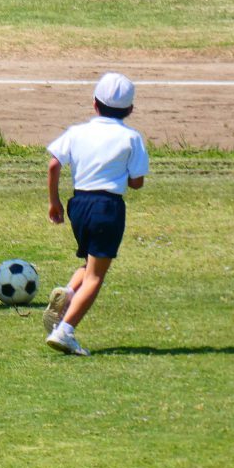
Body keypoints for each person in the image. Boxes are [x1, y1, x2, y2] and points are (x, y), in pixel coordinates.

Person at [42, 72, 149, 356]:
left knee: (89, 263)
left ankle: (67, 293)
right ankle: (65, 330)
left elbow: (54, 165)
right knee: (96, 276)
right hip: (108, 207)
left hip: (79, 205)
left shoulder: (77, 132)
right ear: (130, 109)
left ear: (94, 104)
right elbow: (137, 182)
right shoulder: (131, 137)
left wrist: (54, 202)